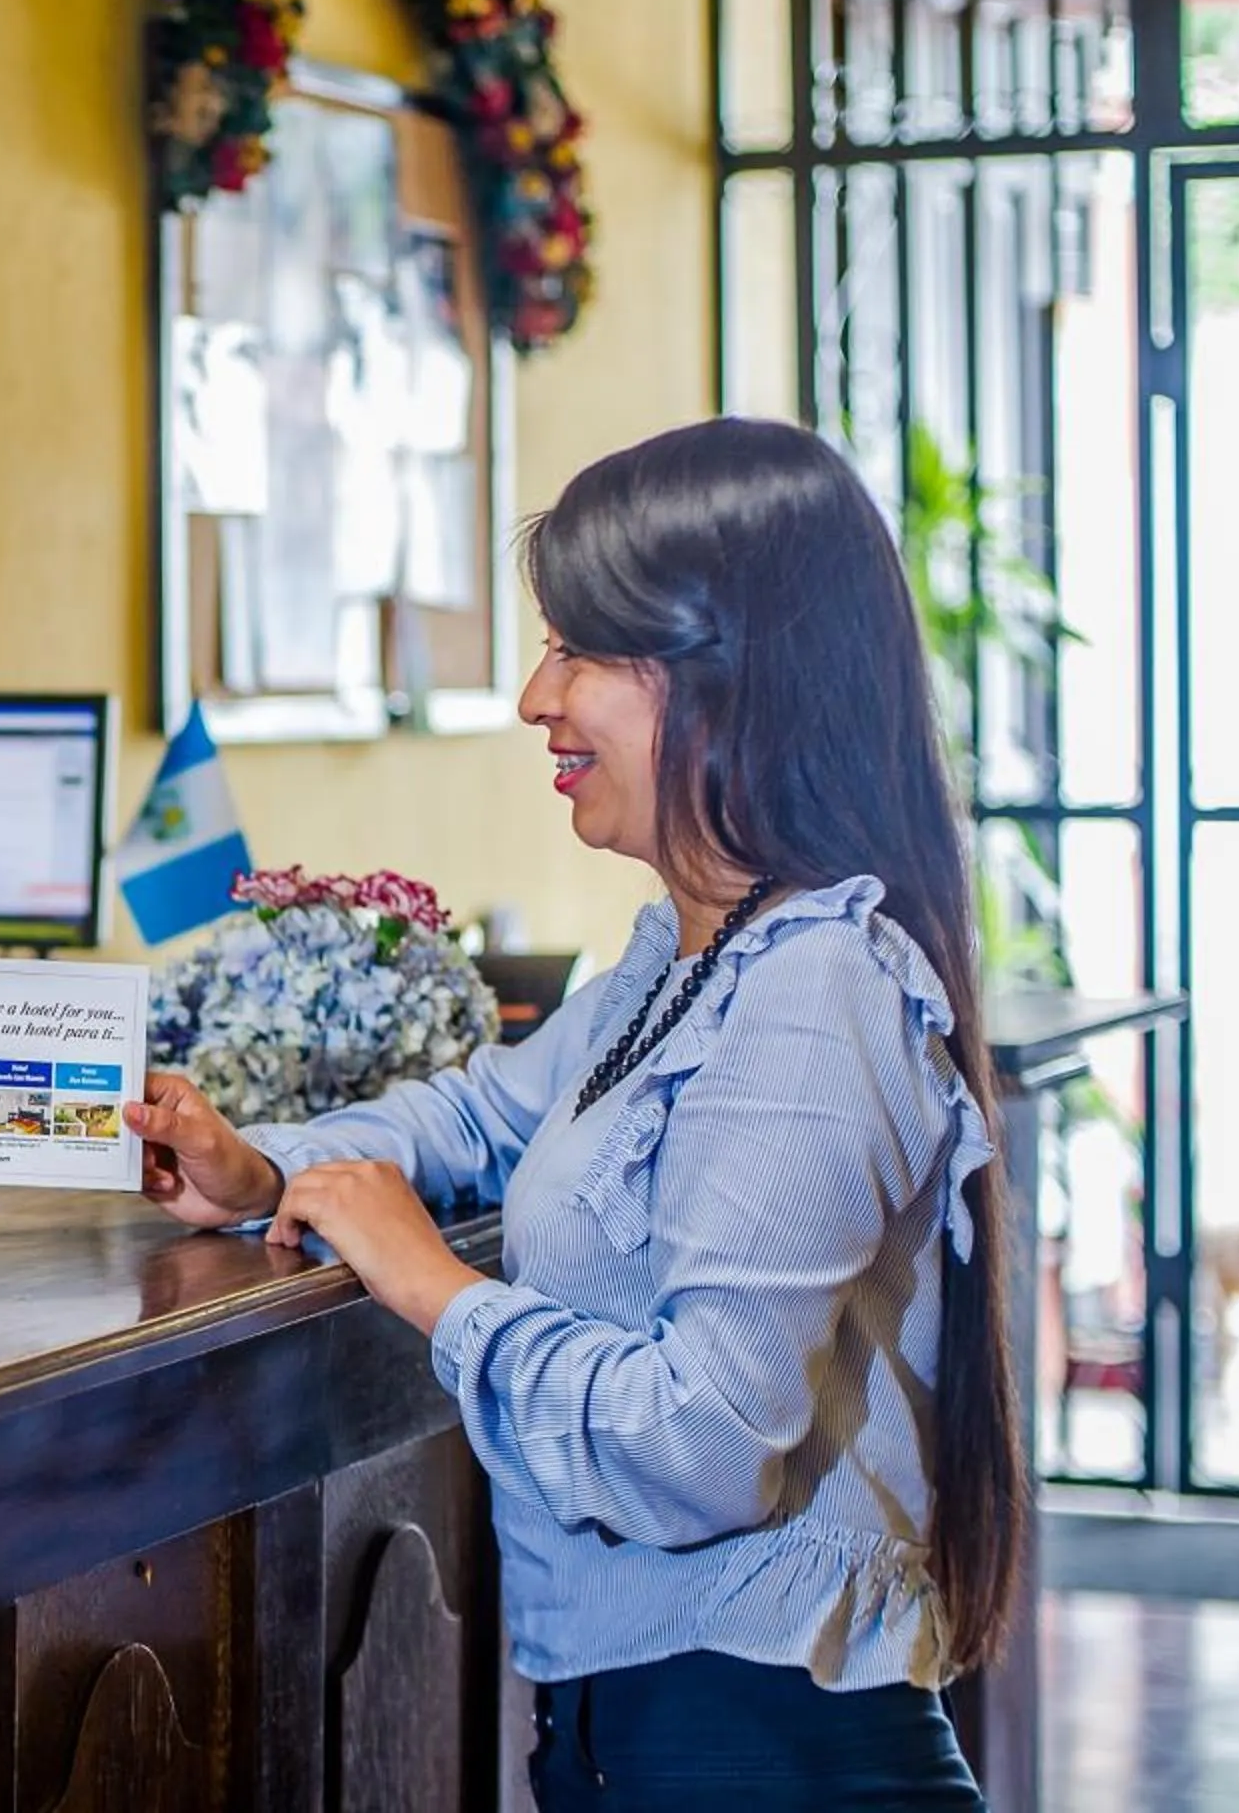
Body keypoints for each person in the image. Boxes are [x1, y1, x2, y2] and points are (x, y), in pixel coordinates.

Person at [129, 420, 1021, 1809]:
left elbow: (703, 1449)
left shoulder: (815, 988)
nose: (538, 698)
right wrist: (261, 1172)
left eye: (584, 652)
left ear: (738, 681)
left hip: (764, 1757)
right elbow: (488, 1113)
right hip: (649, 1741)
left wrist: (431, 1286)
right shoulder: (686, 959)